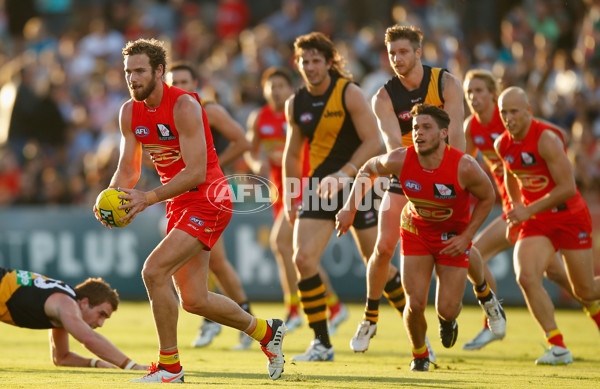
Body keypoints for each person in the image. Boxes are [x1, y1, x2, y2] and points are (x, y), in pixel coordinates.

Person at [93, 38, 286, 383]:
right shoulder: (129, 111)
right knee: (194, 301)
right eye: (127, 72)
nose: (132, 78)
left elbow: (196, 171)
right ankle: (267, 333)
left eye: (139, 71)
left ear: (159, 71)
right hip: (179, 201)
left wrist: (147, 199)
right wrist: (110, 196)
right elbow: (128, 169)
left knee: (153, 272)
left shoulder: (184, 106)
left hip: (209, 198)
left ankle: (170, 367)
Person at [348, 25, 505, 356]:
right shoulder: (383, 97)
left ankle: (486, 295)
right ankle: (370, 317)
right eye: (392, 54)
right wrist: (414, 175)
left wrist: (457, 178)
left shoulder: (446, 83)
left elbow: (458, 141)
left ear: (419, 53)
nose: (397, 59)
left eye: (403, 52)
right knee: (383, 245)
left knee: (463, 241)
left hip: (449, 172)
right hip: (409, 171)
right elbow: (393, 145)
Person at [336, 103, 495, 371]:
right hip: (416, 230)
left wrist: (467, 235)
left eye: (426, 127)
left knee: (447, 308)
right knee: (415, 302)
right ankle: (419, 355)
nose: (418, 133)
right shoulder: (401, 158)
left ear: (444, 133)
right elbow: (368, 168)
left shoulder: (464, 166)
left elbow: (488, 196)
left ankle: (453, 317)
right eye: (415, 128)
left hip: (451, 235)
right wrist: (349, 209)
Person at [282, 31, 401, 362]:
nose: (309, 67)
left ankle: (414, 330)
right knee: (302, 260)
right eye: (304, 61)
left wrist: (344, 174)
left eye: (316, 61)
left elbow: (372, 143)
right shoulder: (296, 102)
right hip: (319, 189)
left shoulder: (349, 93)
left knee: (378, 263)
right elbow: (292, 155)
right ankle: (322, 343)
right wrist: (292, 194)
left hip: (358, 183)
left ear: (329, 62)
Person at [461, 69, 600, 350]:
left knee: (476, 252)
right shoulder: (475, 129)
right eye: (469, 92)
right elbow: (468, 168)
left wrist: (522, 207)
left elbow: (556, 141)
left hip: (540, 208)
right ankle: (559, 342)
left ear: (493, 94)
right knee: (546, 276)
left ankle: (493, 322)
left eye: (479, 91)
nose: (473, 97)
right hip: (521, 208)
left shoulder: (521, 126)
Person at [495, 86, 600, 365]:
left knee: (585, 291)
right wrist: (513, 213)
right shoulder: (502, 144)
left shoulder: (547, 140)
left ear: (529, 111)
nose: (508, 117)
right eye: (503, 112)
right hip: (537, 219)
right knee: (525, 276)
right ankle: (557, 346)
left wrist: (527, 210)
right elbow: (511, 178)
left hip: (569, 215)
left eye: (514, 111)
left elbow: (568, 188)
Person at [245, 66, 348, 334]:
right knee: (297, 252)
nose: (276, 91)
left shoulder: (299, 115)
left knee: (281, 242)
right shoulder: (259, 118)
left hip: (304, 186)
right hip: (279, 192)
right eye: (271, 86)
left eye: (281, 85)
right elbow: (251, 150)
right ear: (265, 90)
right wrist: (258, 165)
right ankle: (333, 306)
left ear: (289, 89)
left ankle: (294, 310)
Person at [166, 61, 255, 351]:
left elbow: (243, 141)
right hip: (182, 195)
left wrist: (211, 166)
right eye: (173, 81)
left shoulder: (209, 109)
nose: (178, 85)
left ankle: (242, 320)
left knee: (215, 262)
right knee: (210, 264)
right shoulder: (167, 113)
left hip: (208, 193)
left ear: (196, 83)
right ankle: (226, 320)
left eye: (184, 80)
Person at [0, 267, 147, 370]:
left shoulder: (63, 308)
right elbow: (89, 338)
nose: (101, 323)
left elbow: (61, 358)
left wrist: (94, 363)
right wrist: (131, 366)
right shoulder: (66, 303)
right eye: (101, 314)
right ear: (84, 303)